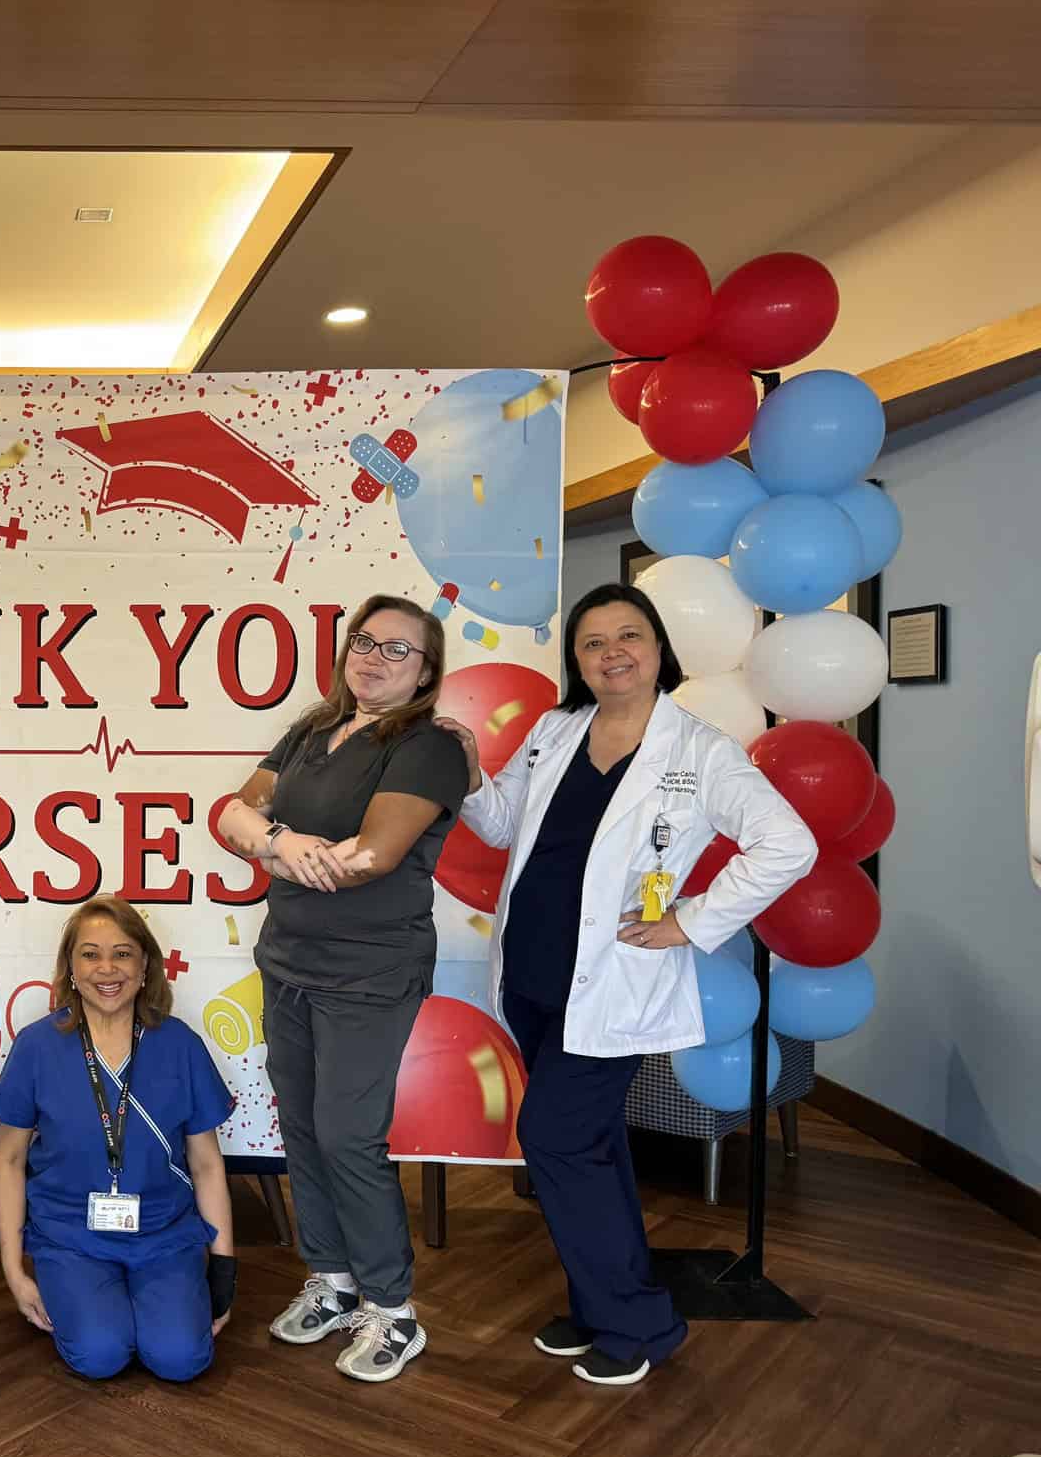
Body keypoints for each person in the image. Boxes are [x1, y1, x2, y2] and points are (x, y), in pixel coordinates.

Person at [441, 582, 816, 1386]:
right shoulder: (556, 728)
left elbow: (787, 845)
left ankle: (641, 1326)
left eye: (629, 636)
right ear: (577, 659)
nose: (612, 652)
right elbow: (506, 825)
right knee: (596, 1145)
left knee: (556, 1138)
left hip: (613, 983)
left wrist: (692, 921)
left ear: (657, 650)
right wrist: (474, 776)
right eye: (593, 641)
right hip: (534, 978)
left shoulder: (700, 750)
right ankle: (599, 1305)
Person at [216, 593, 467, 1384]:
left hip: (370, 972)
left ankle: (392, 1312)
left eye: (398, 650)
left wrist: (271, 846)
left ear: (426, 671)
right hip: (286, 960)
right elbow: (231, 815)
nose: (374, 657)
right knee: (302, 1128)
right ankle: (332, 1280)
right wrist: (285, 841)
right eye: (364, 641)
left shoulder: (429, 747)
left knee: (349, 1136)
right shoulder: (311, 730)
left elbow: (375, 856)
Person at [0, 897, 238, 1382]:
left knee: (181, 1358)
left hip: (164, 1234)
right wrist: (14, 1272)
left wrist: (224, 1274)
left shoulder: (179, 1044)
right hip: (71, 1236)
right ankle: (99, 1303)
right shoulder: (38, 1046)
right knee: (100, 1355)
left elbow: (207, 1165)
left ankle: (149, 1308)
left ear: (146, 965)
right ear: (70, 967)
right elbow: (10, 1161)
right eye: (90, 954)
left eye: (123, 953)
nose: (107, 968)